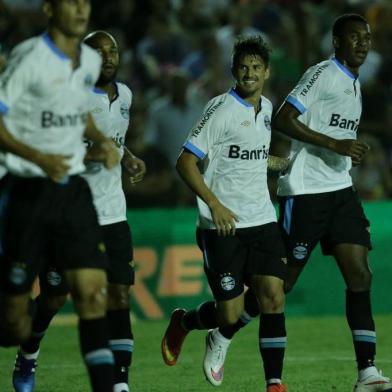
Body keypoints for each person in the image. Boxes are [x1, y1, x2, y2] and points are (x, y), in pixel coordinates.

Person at [193, 14, 392, 392]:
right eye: (354, 37)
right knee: (280, 287)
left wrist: (341, 152)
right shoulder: (323, 74)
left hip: (340, 190)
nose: (363, 44)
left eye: (367, 38)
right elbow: (284, 117)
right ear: (337, 42)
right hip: (304, 193)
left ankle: (366, 371)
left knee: (360, 274)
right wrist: (334, 144)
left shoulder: (354, 82)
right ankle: (224, 332)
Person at [9, 30, 146, 392]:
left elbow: (115, 139)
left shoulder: (125, 96)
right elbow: (54, 151)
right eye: (99, 52)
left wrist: (129, 159)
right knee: (54, 298)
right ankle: (29, 351)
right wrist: (90, 155)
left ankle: (120, 383)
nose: (108, 57)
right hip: (69, 212)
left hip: (113, 213)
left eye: (112, 50)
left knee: (117, 295)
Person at [161, 36, 288, 392]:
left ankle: (275, 383)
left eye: (256, 67)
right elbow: (185, 162)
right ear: (234, 71)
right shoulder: (220, 109)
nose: (250, 73)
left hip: (262, 219)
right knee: (229, 315)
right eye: (243, 67)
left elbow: (251, 156)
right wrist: (214, 204)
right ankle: (186, 324)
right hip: (223, 226)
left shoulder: (267, 107)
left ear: (267, 72)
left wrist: (283, 165)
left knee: (273, 296)